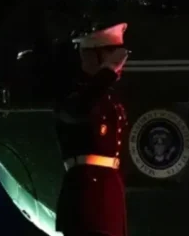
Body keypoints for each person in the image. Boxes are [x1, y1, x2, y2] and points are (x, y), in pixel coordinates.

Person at [54, 21, 131, 236]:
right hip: (86, 196)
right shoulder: (73, 91)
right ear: (90, 56)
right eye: (111, 56)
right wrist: (106, 72)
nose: (119, 66)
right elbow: (77, 110)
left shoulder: (107, 97)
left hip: (108, 194)